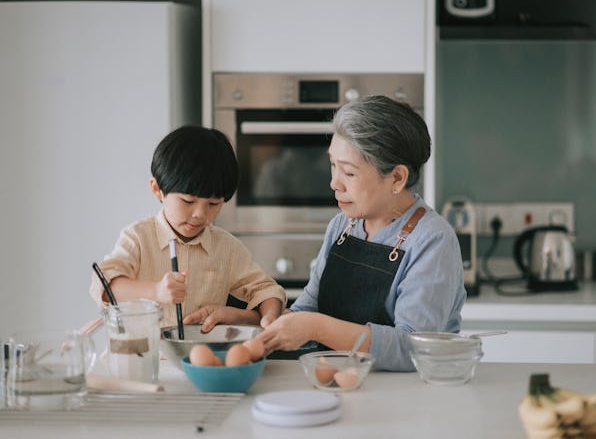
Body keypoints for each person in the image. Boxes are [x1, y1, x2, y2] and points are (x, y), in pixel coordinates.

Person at [187, 96, 466, 371]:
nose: (334, 183)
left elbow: (412, 348)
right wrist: (244, 319)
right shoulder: (342, 227)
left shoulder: (432, 240)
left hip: (407, 400)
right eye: (333, 165)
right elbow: (305, 311)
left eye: (349, 173)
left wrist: (316, 327)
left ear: (396, 178)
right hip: (338, 384)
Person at [89, 125, 287, 329]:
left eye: (213, 204)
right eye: (188, 201)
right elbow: (104, 285)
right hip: (141, 356)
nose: (200, 214)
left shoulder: (227, 248)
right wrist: (156, 291)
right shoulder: (138, 238)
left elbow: (266, 290)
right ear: (157, 190)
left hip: (197, 357)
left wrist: (268, 318)